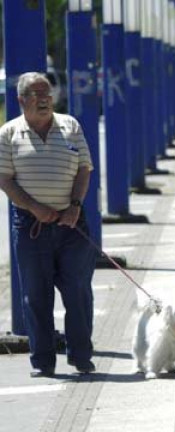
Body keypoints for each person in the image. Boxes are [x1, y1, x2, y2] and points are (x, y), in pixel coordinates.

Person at [0, 72, 97, 377]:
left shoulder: (71, 126)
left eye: (47, 93)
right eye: (35, 94)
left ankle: (81, 356)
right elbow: (4, 179)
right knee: (36, 295)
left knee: (78, 292)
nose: (43, 99)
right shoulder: (8, 133)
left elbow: (84, 169)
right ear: (20, 100)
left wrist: (75, 206)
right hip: (31, 226)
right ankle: (43, 361)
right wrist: (34, 207)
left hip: (72, 223)